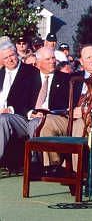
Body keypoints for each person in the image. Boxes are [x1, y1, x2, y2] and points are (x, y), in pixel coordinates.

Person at [30, 47, 74, 175]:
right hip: (29, 116)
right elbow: (20, 101)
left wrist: (45, 113)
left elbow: (64, 105)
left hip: (52, 116)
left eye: (53, 58)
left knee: (40, 123)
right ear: (38, 63)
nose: (52, 61)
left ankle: (40, 163)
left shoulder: (65, 79)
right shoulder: (29, 79)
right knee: (4, 119)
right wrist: (30, 112)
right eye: (48, 59)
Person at [0, 41, 38, 163]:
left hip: (20, 116)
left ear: (17, 54)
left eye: (12, 55)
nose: (10, 60)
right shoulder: (0, 74)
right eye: (6, 57)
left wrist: (10, 110)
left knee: (3, 119)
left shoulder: (31, 73)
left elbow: (31, 101)